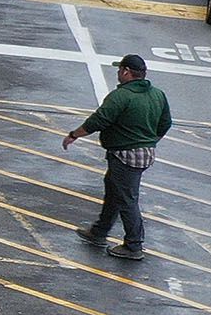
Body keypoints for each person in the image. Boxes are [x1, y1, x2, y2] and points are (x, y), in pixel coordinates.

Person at [62, 54, 171, 260]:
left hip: (125, 155)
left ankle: (134, 245)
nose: (118, 73)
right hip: (144, 152)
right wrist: (150, 140)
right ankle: (99, 231)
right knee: (113, 188)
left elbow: (99, 120)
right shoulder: (158, 94)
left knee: (127, 198)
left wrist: (73, 135)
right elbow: (166, 123)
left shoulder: (121, 96)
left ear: (126, 72)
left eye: (120, 70)